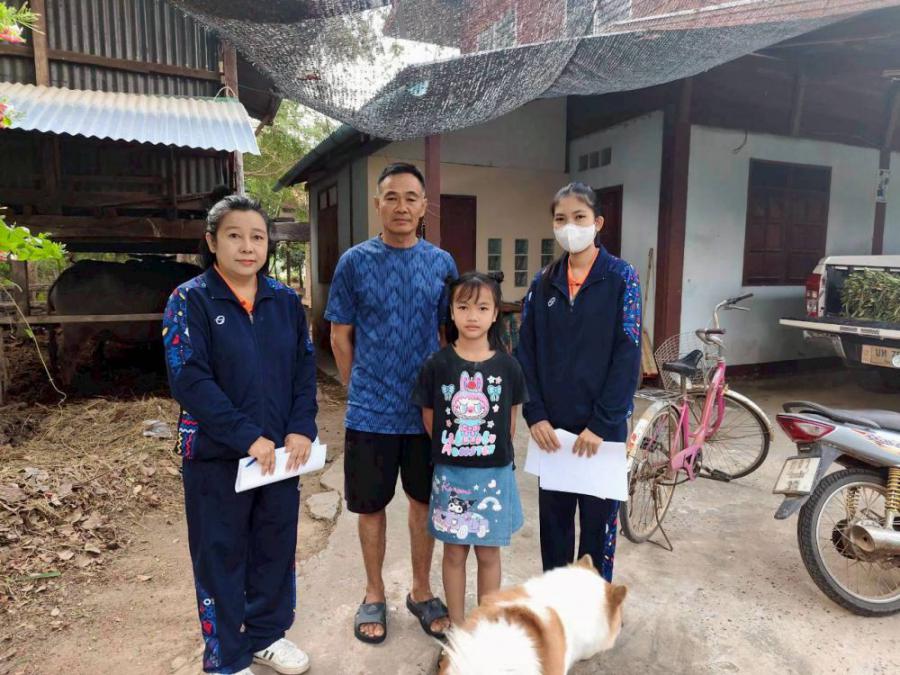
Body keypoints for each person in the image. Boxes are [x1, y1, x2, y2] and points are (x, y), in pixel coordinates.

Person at [163, 195, 317, 675]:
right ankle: (227, 657)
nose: (248, 247)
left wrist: (301, 427)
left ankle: (267, 635)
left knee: (274, 548)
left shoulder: (284, 301)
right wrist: (246, 435)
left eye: (257, 237)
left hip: (279, 458)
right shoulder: (190, 300)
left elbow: (304, 370)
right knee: (221, 554)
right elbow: (189, 379)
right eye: (235, 236)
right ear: (212, 242)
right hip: (217, 457)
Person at [326, 163, 457, 643]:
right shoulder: (354, 262)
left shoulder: (441, 264)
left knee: (423, 501)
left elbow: (448, 335)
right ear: (378, 204)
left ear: (424, 207)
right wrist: (358, 387)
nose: (401, 206)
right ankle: (374, 592)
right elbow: (340, 335)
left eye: (411, 198)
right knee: (370, 505)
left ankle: (421, 591)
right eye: (392, 197)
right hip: (370, 412)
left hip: (425, 413)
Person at [515, 182, 642, 582]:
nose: (570, 226)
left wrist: (602, 423)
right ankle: (556, 609)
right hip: (552, 434)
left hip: (600, 436)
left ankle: (592, 610)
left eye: (579, 217)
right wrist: (535, 415)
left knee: (596, 532)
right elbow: (525, 354)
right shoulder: (543, 283)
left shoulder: (621, 278)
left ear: (597, 222)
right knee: (554, 531)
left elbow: (628, 353)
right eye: (561, 219)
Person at [413, 271, 526, 627]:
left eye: (482, 307)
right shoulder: (437, 365)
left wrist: (489, 452)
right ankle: (460, 630)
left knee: (489, 553)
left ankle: (484, 630)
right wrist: (456, 450)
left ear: (495, 313)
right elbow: (429, 419)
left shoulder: (509, 367)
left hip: (494, 475)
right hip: (452, 475)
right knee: (454, 552)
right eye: (463, 307)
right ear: (451, 311)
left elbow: (510, 422)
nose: (472, 316)